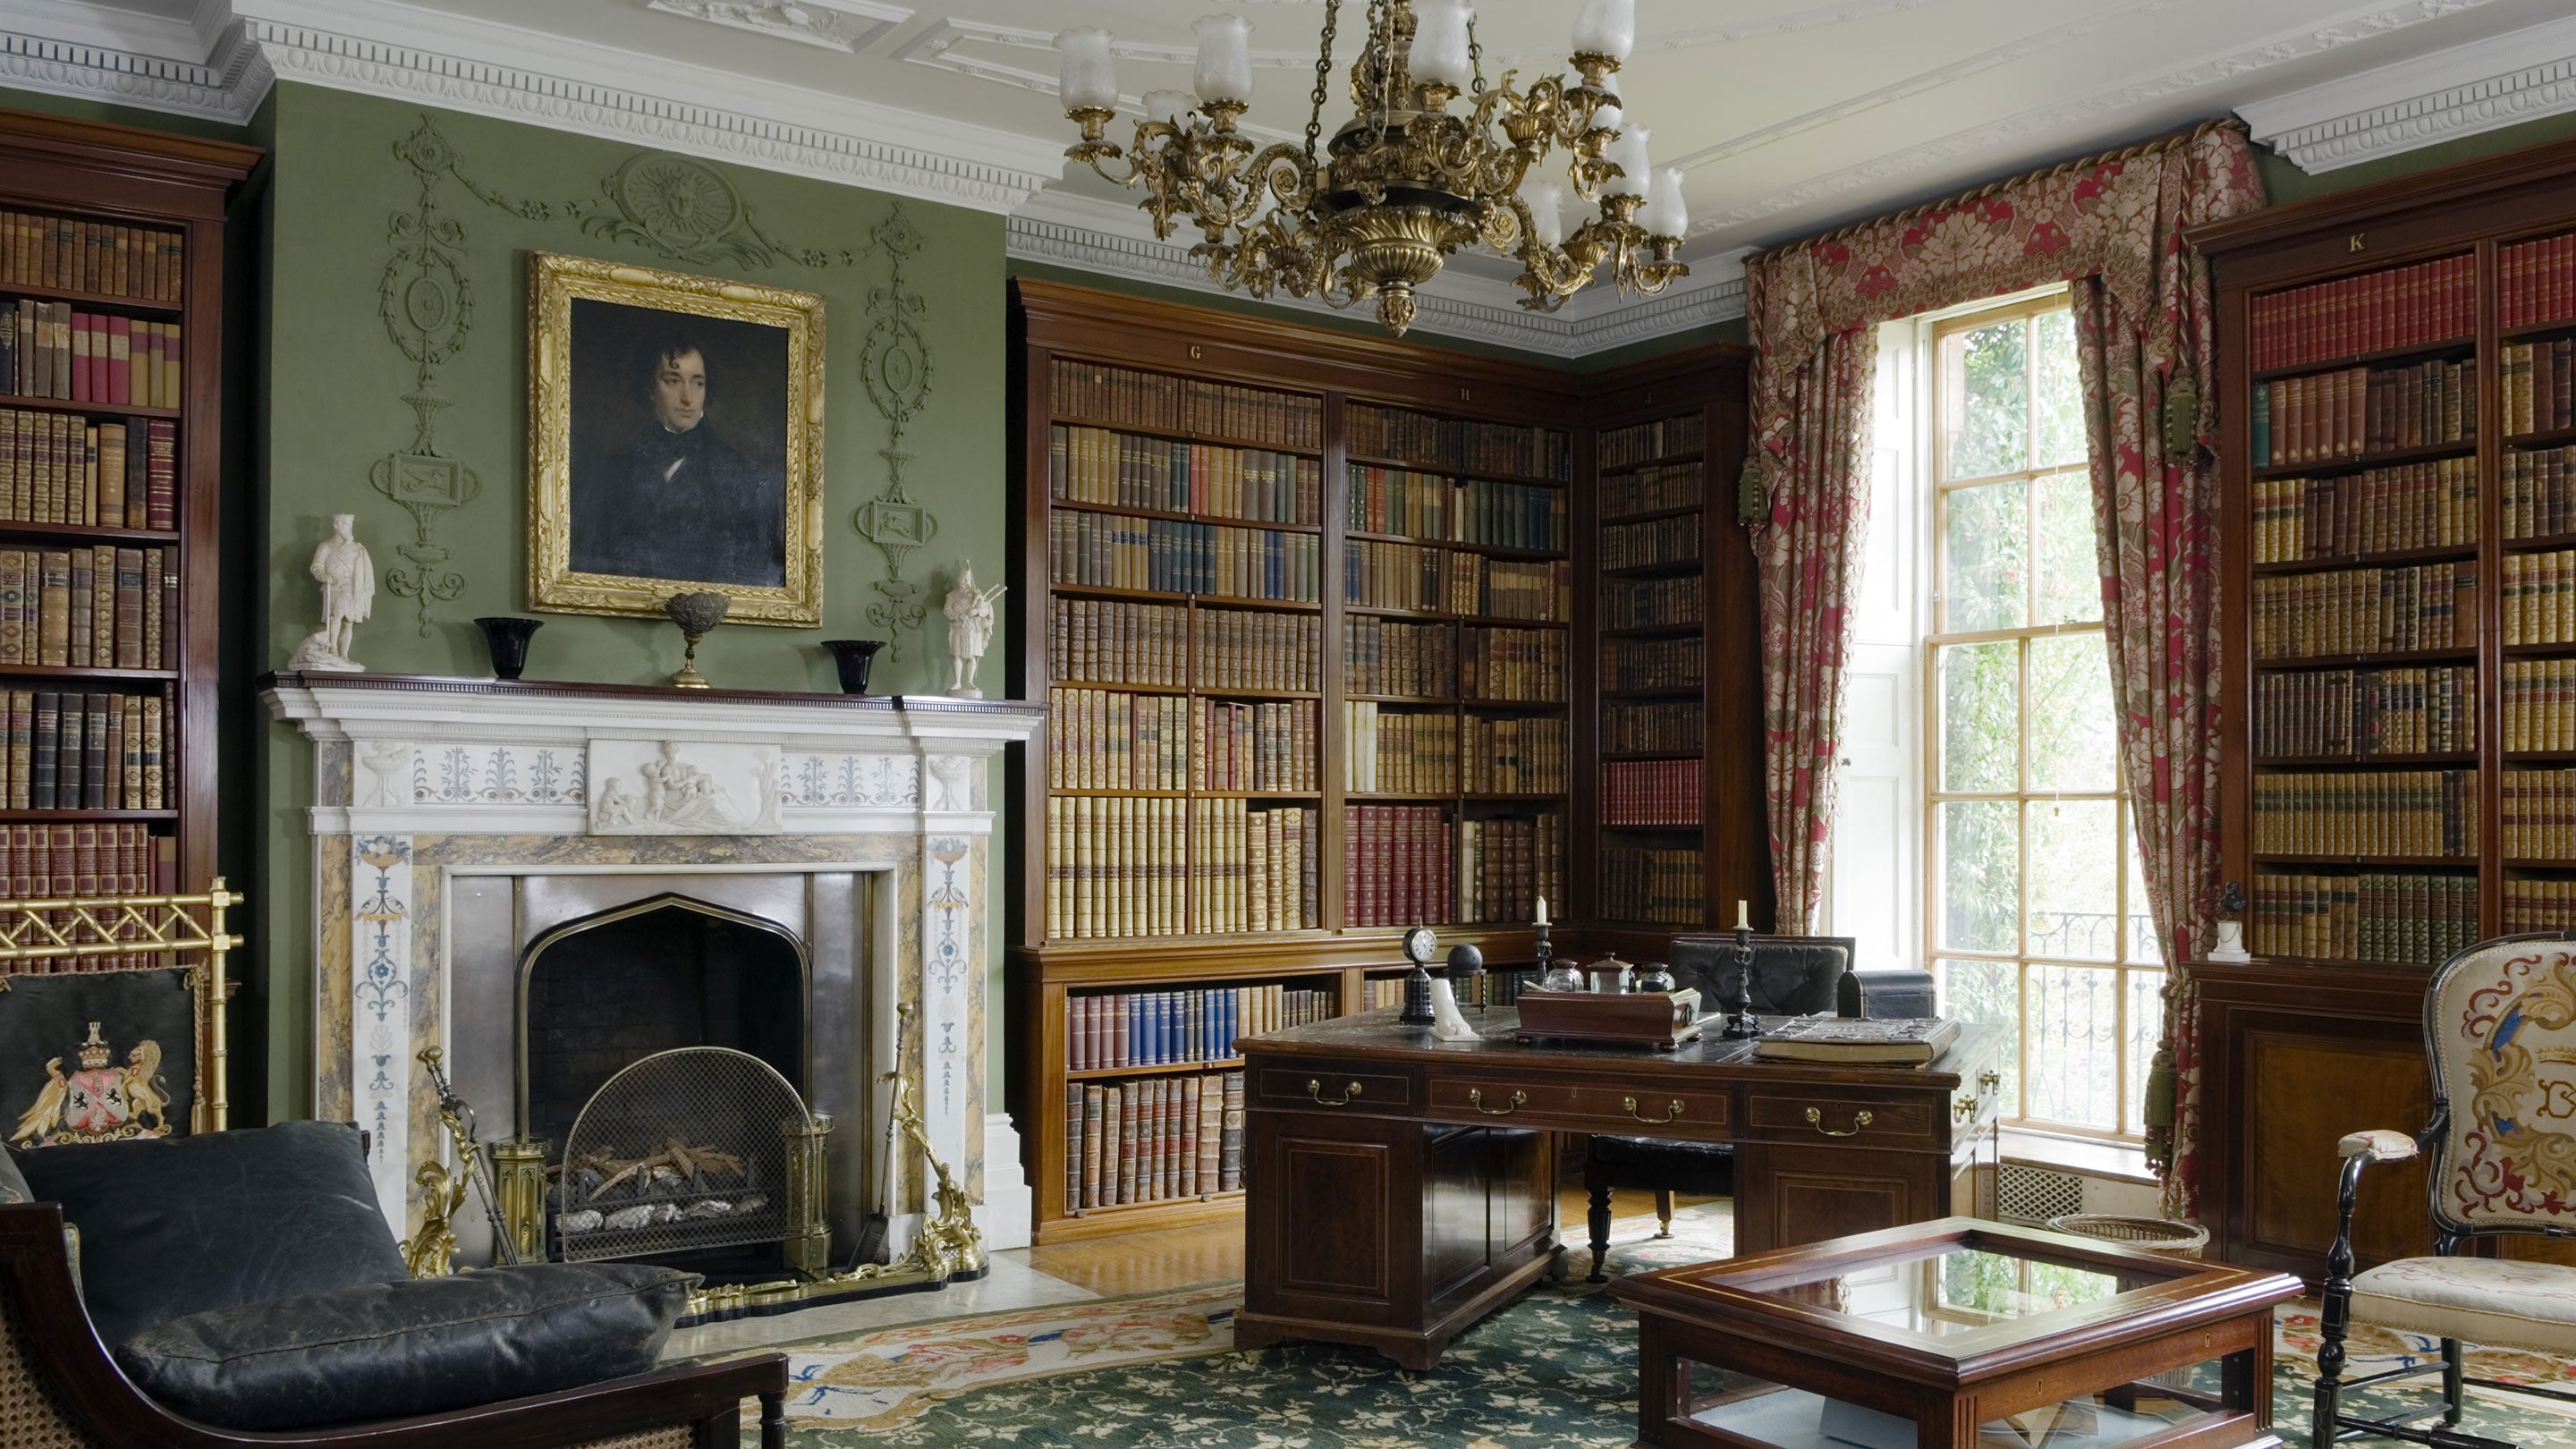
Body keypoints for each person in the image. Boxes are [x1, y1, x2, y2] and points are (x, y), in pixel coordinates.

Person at [572, 328, 785, 588]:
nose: (688, 397)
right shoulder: (613, 470)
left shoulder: (747, 477)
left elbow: (759, 576)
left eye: (698, 382)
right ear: (650, 387)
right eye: (673, 381)